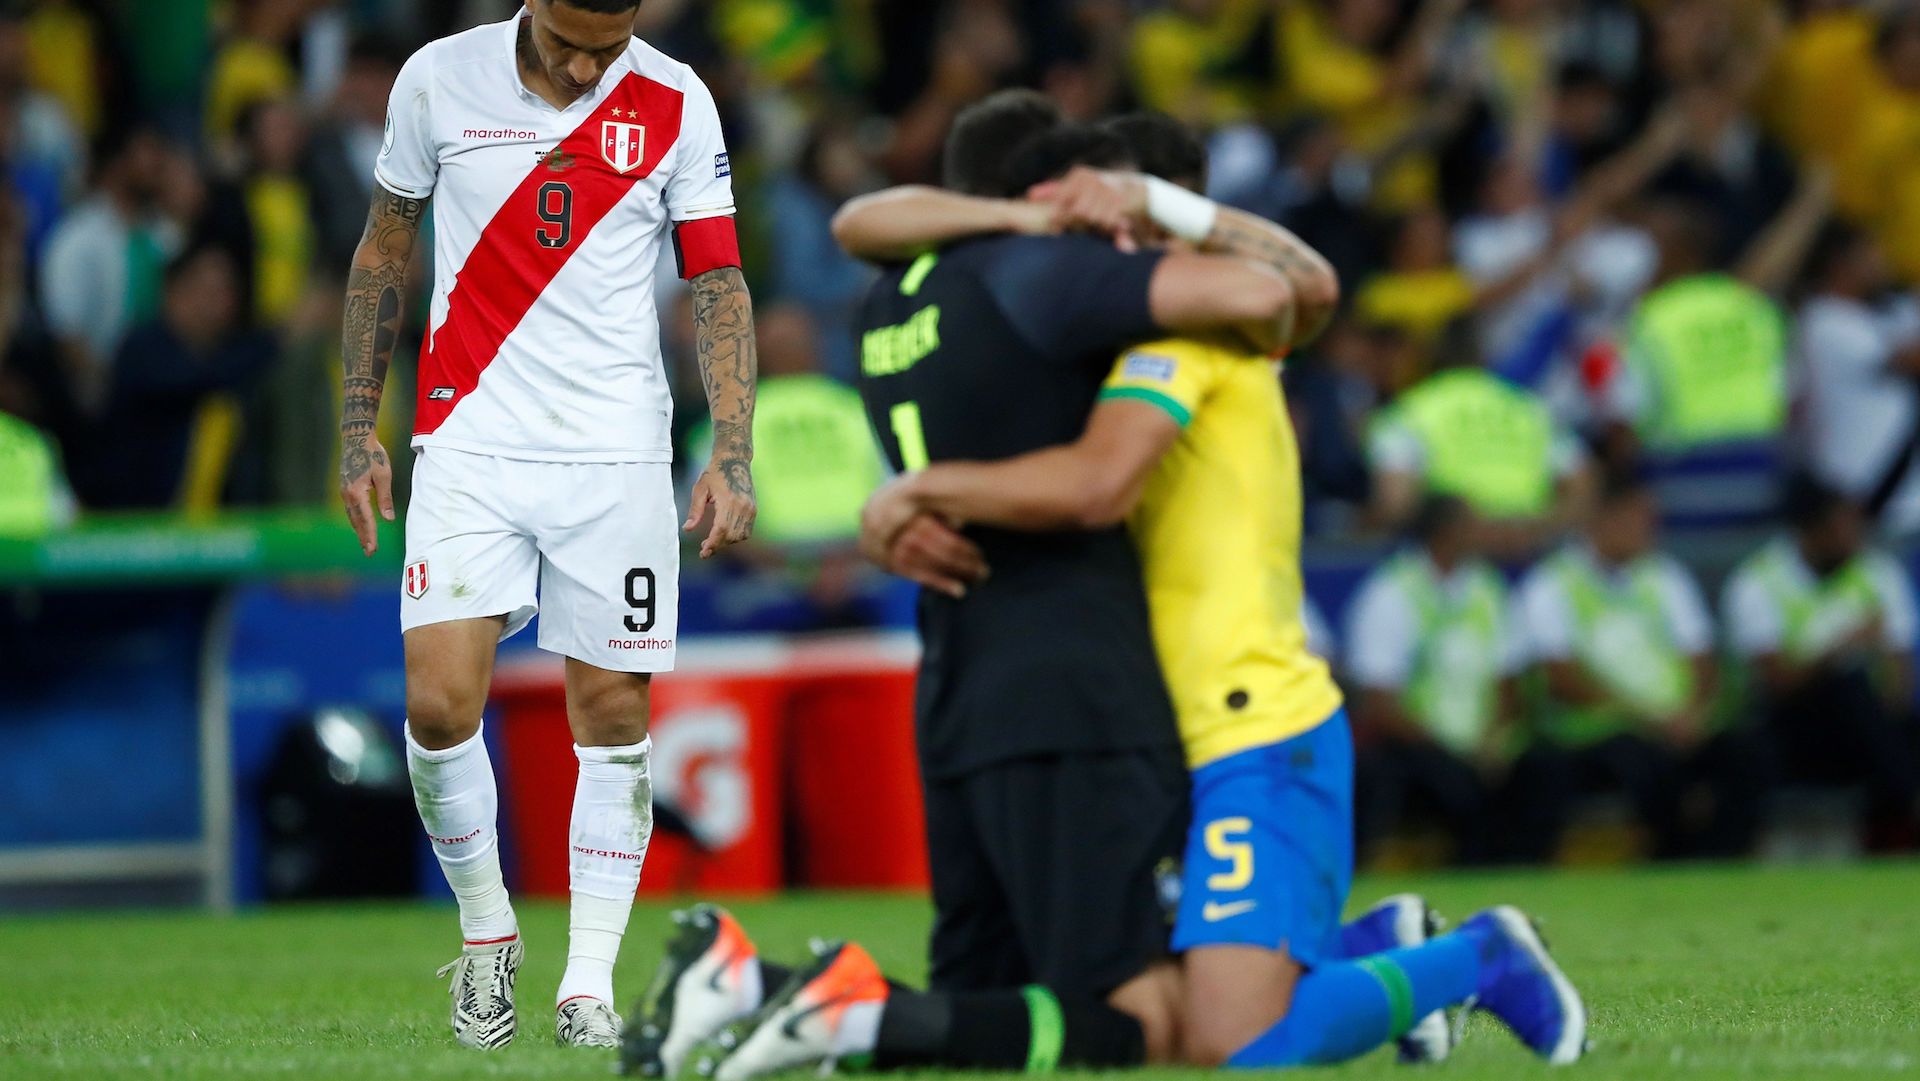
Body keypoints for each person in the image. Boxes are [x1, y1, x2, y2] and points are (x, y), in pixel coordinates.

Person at [640, 113, 1587, 1078]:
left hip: (1253, 719)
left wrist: (916, 492)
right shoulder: (1116, 334)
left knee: (1230, 1039)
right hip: (1157, 722)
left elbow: (1100, 477)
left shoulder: (1198, 336)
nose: (1102, 231)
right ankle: (1380, 941)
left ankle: (1473, 958)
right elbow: (870, 224)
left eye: (1115, 211)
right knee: (1154, 1001)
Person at [335, 0, 760, 1051]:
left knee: (611, 715)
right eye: (567, 44)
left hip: (615, 450)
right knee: (438, 703)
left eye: (604, 48)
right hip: (467, 439)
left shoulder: (676, 99)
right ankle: (488, 938)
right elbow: (384, 254)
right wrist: (357, 427)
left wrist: (734, 449)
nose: (582, 67)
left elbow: (716, 279)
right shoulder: (437, 78)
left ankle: (586, 986)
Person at [1506, 472, 1738, 861]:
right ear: (1601, 521)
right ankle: (1670, 859)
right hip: (1598, 731)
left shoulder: (1665, 576)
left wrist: (1693, 713)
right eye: (1639, 518)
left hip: (1677, 724)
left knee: (1744, 752)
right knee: (1637, 758)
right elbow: (1560, 678)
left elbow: (1702, 658)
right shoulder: (1552, 584)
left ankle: (1723, 860)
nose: (1649, 529)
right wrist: (1648, 718)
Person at [1722, 477, 1920, 849]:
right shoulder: (1759, 582)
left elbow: (1900, 681)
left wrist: (1878, 667)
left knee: (1874, 706)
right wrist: (1841, 648)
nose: (1854, 538)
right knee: (1849, 685)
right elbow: (1775, 682)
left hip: (1867, 727)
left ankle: (1896, 826)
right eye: (1842, 528)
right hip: (1794, 727)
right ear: (1810, 532)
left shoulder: (1878, 574)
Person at [1346, 495, 1519, 865]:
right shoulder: (1392, 592)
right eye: (1473, 525)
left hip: (1482, 744)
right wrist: (1446, 749)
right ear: (1445, 533)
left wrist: (1491, 739)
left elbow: (1508, 682)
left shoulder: (1486, 589)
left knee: (1534, 772)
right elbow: (1378, 701)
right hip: (1416, 743)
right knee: (1437, 779)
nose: (1484, 534)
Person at [68, 244, 272, 510]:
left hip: (204, 525)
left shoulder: (226, 356)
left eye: (227, 291)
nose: (221, 303)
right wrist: (280, 339)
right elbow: (193, 381)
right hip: (127, 519)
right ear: (174, 293)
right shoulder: (143, 348)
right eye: (209, 292)